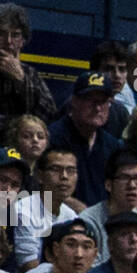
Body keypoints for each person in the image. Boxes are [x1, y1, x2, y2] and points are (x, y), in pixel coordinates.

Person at [49, 72, 122, 207]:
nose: (98, 108)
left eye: (103, 101)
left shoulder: (112, 145)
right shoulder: (53, 138)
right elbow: (43, 188)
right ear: (74, 102)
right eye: (91, 100)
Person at [77, 148, 137, 265]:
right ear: (108, 185)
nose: (132, 185)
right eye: (124, 178)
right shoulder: (88, 221)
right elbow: (87, 271)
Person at [0, 4, 58, 138]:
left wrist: (22, 80)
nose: (8, 41)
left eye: (15, 35)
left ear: (22, 41)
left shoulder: (30, 73)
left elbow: (49, 116)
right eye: (1, 34)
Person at [14, 146, 84, 271]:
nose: (64, 176)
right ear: (39, 176)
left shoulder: (71, 216)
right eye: (56, 169)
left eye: (71, 170)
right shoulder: (23, 210)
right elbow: (29, 265)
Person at [88, 40, 133, 138]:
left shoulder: (121, 112)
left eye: (122, 69)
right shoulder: (78, 106)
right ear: (94, 72)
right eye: (108, 69)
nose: (117, 75)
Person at [5, 113, 51, 182]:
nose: (35, 140)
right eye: (27, 136)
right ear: (15, 139)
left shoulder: (43, 172)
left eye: (40, 137)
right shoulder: (7, 168)